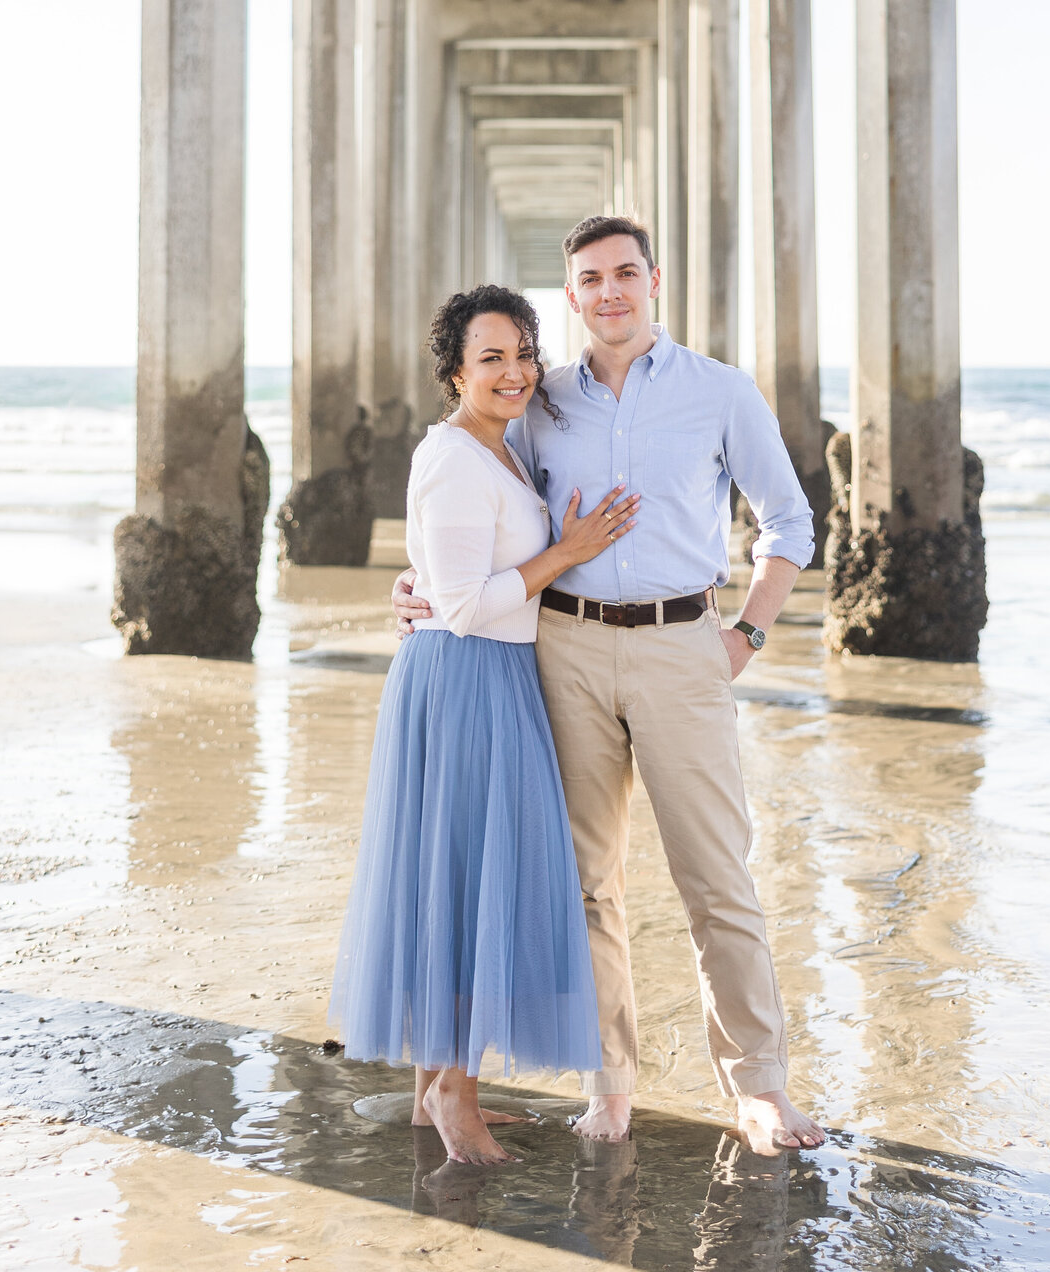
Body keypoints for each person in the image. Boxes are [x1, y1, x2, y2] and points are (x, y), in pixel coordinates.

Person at [394, 218, 826, 1155]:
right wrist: (418, 584)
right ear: (573, 297)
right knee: (586, 885)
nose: (610, 291)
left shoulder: (720, 392)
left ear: (654, 281)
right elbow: (475, 503)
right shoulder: (537, 400)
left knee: (717, 878)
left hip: (684, 647)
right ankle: (612, 1087)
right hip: (565, 652)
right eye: (590, 279)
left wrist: (747, 630)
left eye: (626, 273)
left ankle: (758, 1089)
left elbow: (789, 521)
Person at [329, 283, 640, 1166]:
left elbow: (442, 569)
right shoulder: (456, 454)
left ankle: (436, 1091)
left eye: (521, 354)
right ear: (455, 372)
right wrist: (568, 554)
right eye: (489, 358)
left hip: (491, 674)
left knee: (457, 879)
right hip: (467, 678)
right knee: (470, 888)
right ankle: (456, 1099)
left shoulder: (498, 452)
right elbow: (464, 605)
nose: (511, 372)